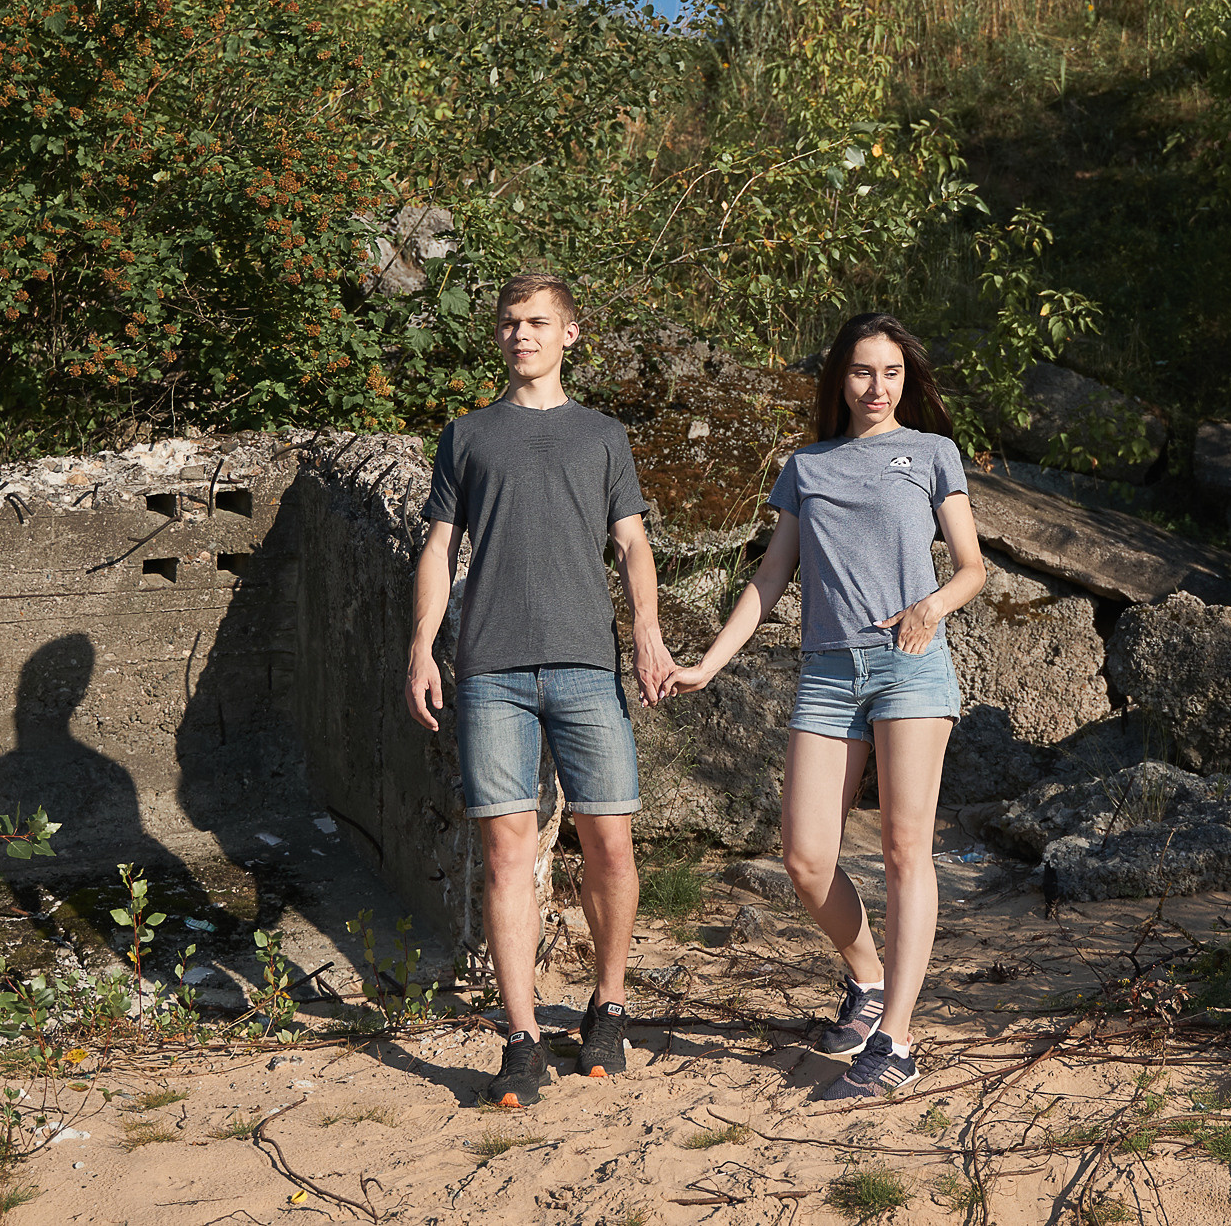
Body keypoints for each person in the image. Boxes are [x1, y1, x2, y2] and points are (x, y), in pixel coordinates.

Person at [655, 312, 985, 1102]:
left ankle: (898, 1040)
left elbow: (974, 568)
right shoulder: (806, 466)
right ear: (841, 377)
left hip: (910, 667)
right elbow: (769, 580)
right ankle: (868, 979)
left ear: (908, 379)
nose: (878, 386)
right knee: (804, 856)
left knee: (907, 849)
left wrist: (928, 608)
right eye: (864, 371)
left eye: (893, 373)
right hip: (827, 674)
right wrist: (708, 662)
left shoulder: (933, 454)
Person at [405, 273, 674, 1109]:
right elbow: (440, 548)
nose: (523, 335)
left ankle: (609, 1002)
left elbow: (632, 546)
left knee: (611, 843)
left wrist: (648, 632)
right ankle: (520, 1037)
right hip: (491, 669)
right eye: (512, 323)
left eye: (539, 322)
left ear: (570, 333)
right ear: (499, 336)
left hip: (588, 664)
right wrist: (421, 644)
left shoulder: (602, 436)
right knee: (505, 852)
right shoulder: (468, 436)